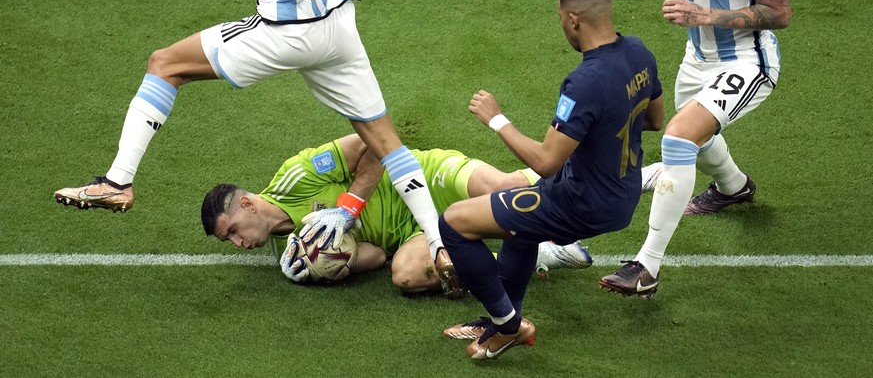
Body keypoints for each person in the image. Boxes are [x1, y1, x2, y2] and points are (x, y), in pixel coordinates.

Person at [54, 0, 453, 279]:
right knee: (384, 141)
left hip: (290, 27)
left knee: (165, 65)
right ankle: (439, 244)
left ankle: (117, 181)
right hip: (340, 23)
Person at [565, 0, 793, 298]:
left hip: (747, 62)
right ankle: (733, 187)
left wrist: (709, 16)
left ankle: (646, 267)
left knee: (677, 137)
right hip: (697, 59)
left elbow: (780, 13)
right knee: (692, 137)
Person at [437, 0, 664, 360]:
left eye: (561, 19)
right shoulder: (640, 53)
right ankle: (502, 318)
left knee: (454, 222)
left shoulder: (585, 80)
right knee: (518, 225)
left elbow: (545, 160)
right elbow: (655, 119)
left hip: (581, 200)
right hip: (619, 191)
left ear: (574, 19)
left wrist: (497, 119)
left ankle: (507, 326)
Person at [199, 133, 595, 295]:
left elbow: (376, 140)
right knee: (407, 276)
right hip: (411, 233)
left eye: (233, 230)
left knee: (509, 191)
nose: (238, 243)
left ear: (247, 204)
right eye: (228, 240)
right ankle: (538, 256)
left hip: (421, 179)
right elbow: (375, 256)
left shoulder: (296, 177)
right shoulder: (290, 251)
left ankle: (576, 163)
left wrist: (348, 209)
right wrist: (333, 265)